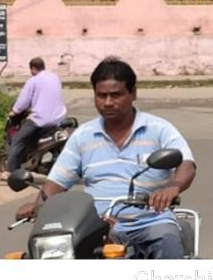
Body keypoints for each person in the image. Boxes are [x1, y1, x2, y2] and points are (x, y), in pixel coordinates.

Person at [14, 58, 197, 259]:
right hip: (99, 224)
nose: (108, 102)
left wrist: (172, 187)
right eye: (101, 96)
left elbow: (187, 164)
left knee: (166, 240)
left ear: (133, 93)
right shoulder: (84, 135)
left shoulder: (159, 129)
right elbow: (57, 181)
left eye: (115, 95)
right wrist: (38, 205)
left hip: (151, 221)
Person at [0, 57, 67, 181]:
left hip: (40, 119)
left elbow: (23, 101)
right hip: (59, 118)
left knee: (18, 140)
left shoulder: (34, 80)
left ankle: (10, 171)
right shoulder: (55, 77)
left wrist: (14, 111)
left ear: (33, 68)